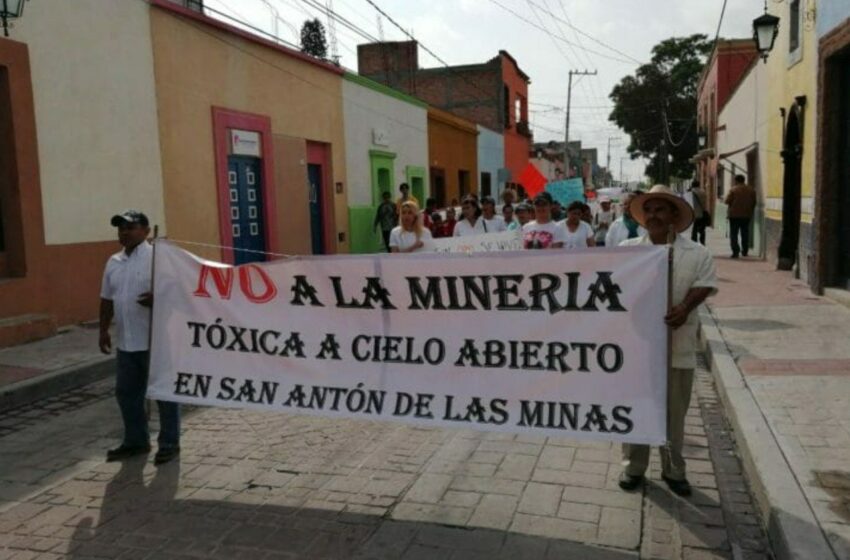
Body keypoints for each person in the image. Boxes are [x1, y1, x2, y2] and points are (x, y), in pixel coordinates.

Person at [617, 185, 717, 497]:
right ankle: (633, 467)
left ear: (674, 214)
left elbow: (704, 285)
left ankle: (674, 470)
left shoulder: (697, 253)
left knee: (674, 413)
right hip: (637, 350)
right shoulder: (628, 249)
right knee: (636, 409)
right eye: (648, 210)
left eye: (660, 209)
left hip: (678, 348)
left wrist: (685, 307)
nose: (653, 215)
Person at [99, 210, 180, 466]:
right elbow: (106, 298)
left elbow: (180, 292)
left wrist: (160, 298)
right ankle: (136, 441)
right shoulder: (114, 261)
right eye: (120, 228)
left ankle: (169, 443)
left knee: (163, 394)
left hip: (155, 340)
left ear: (145, 231)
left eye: (130, 227)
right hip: (127, 341)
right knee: (126, 393)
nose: (124, 232)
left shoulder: (159, 258)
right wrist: (103, 329)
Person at [724, 174, 756, 258]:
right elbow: (754, 202)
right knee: (745, 233)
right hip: (746, 215)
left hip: (734, 215)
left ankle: (735, 251)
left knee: (734, 234)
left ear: (736, 180)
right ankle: (745, 251)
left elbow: (726, 201)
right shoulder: (751, 190)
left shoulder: (733, 190)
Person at [689, 181, 709, 246]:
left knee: (694, 229)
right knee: (702, 229)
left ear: (692, 185)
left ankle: (694, 242)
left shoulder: (690, 192)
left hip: (693, 213)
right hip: (702, 213)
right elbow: (705, 202)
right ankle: (702, 242)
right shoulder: (703, 192)